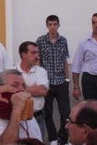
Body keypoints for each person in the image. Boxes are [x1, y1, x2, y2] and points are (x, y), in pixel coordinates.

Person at [0, 69, 42, 144]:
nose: (21, 89)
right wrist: (17, 109)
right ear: (1, 89)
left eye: (23, 86)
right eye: (15, 85)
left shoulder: (28, 114)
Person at [36, 14, 71, 145]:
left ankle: (64, 138)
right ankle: (53, 139)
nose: (52, 27)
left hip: (61, 81)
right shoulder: (40, 40)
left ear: (58, 25)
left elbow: (65, 61)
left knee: (65, 112)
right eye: (50, 24)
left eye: (55, 24)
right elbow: (38, 61)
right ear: (47, 26)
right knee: (47, 112)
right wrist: (40, 80)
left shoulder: (63, 40)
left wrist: (67, 79)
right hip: (47, 82)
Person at [15, 41, 49, 142]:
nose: (37, 56)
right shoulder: (12, 71)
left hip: (38, 117)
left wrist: (20, 87)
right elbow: (10, 92)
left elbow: (43, 91)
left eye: (38, 53)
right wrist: (33, 88)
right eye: (33, 53)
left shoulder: (41, 71)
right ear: (23, 54)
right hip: (18, 118)